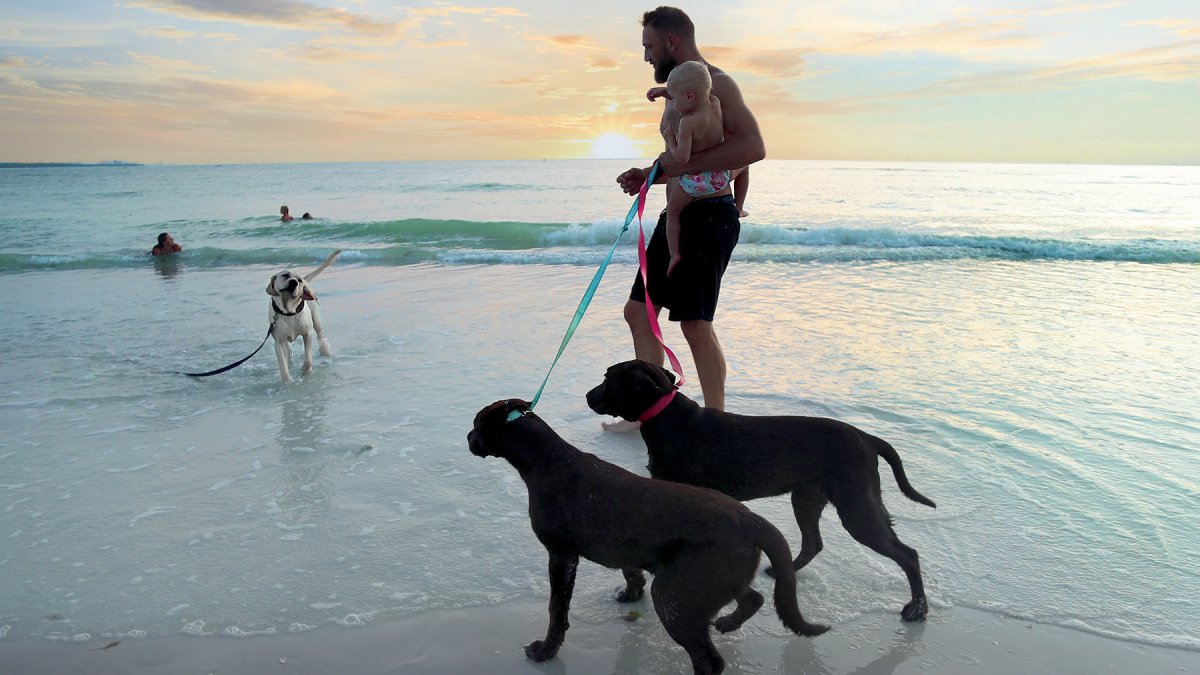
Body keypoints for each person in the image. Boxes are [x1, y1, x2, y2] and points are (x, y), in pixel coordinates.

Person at [612, 6, 764, 427]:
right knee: (639, 311)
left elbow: (752, 148)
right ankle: (650, 414)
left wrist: (673, 170)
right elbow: (691, 156)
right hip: (681, 207)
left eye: (649, 46)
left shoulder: (719, 84)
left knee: (694, 323)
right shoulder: (682, 90)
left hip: (710, 216)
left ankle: (716, 424)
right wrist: (649, 174)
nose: (646, 57)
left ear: (671, 42)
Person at [646, 60, 737, 278]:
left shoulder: (688, 123)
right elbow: (690, 93)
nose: (673, 103)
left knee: (673, 212)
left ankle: (675, 253)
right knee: (744, 169)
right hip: (719, 177)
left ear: (688, 96)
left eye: (674, 98)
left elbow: (682, 160)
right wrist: (666, 92)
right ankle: (739, 206)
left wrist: (670, 138)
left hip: (697, 183)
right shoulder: (714, 103)